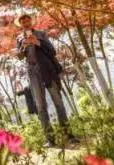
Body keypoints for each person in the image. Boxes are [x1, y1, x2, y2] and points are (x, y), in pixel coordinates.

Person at [15, 14, 73, 145]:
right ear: (21, 24)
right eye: (22, 21)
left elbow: (52, 51)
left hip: (47, 70)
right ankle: (50, 139)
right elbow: (18, 56)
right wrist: (23, 47)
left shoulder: (41, 34)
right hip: (32, 72)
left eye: (27, 19)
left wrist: (38, 42)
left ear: (31, 21)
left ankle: (68, 135)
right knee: (40, 105)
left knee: (58, 101)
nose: (25, 22)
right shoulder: (19, 38)